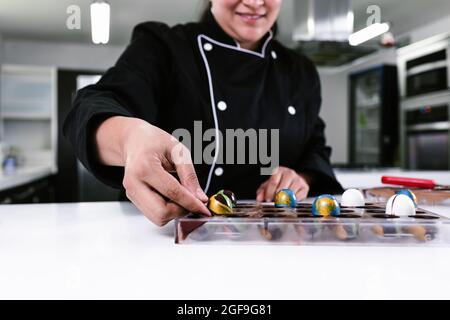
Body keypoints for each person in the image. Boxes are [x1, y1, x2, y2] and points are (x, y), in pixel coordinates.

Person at [63, 0, 343, 226]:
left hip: (271, 236)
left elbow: (314, 148)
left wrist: (301, 178)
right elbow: (90, 106)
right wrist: (129, 139)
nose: (255, 2)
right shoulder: (164, 46)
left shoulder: (300, 71)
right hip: (166, 237)